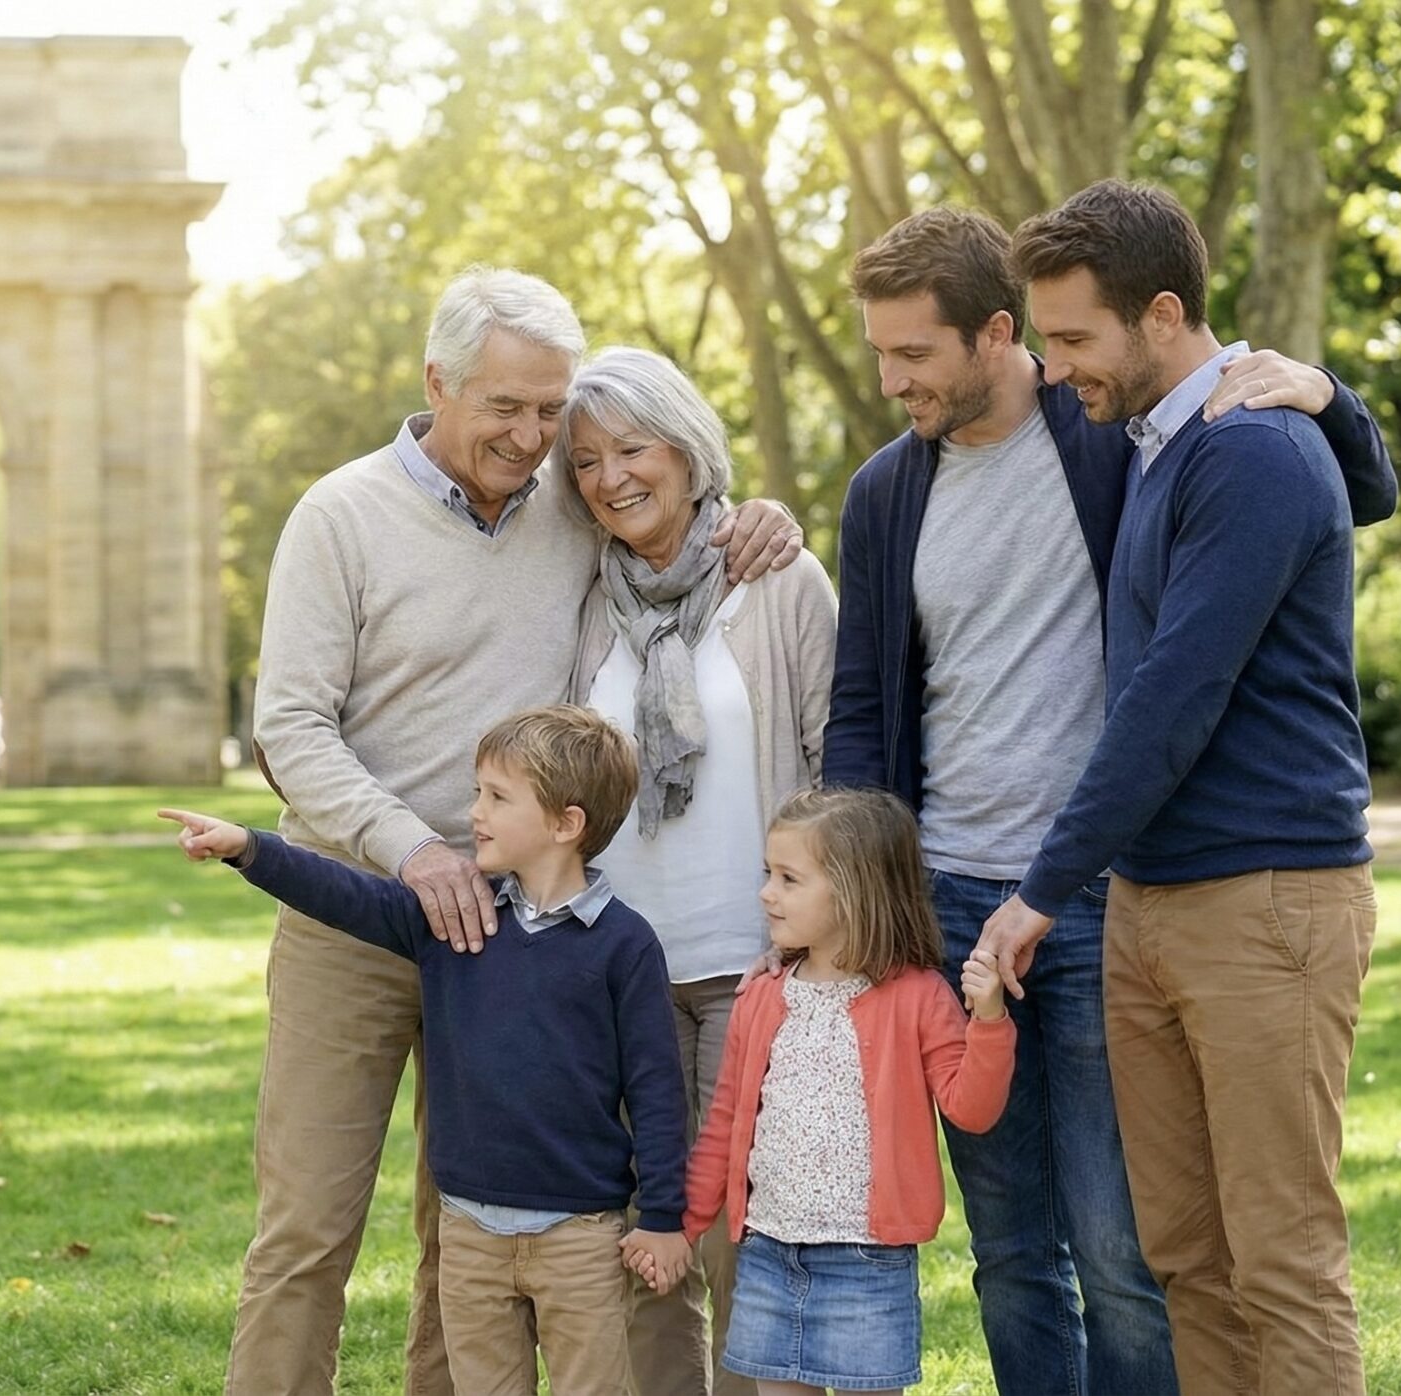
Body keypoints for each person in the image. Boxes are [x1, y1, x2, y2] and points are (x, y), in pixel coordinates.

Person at [826, 206, 1397, 1394]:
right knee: (1099, 1250)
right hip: (1041, 896)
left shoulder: (1152, 440)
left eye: (912, 354)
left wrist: (1327, 397)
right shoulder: (1116, 443)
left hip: (1133, 890)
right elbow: (864, 702)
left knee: (1162, 1250)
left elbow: (1174, 689)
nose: (890, 381)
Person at [243, 266, 801, 1395]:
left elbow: (671, 517)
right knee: (307, 1231)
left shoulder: (568, 508)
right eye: (505, 407)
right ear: (437, 382)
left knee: (475, 1231)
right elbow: (287, 726)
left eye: (551, 410)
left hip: (517, 936)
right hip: (364, 910)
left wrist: (759, 517)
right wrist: (411, 847)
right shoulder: (340, 515)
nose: (533, 437)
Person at [977, 180, 1381, 1395]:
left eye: (1074, 339)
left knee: (1281, 1261)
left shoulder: (1251, 451)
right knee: (1187, 1259)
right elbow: (1368, 489)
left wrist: (1036, 891)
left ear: (1163, 315)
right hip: (1154, 904)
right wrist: (1339, 400)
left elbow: (1170, 701)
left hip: (1263, 902)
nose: (1053, 371)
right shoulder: (1159, 445)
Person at [161, 705, 692, 1394]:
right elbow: (344, 894)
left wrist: (660, 1218)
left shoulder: (625, 947)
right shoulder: (450, 924)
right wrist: (250, 849)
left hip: (580, 1240)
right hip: (469, 1235)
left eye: (497, 798)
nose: (473, 813)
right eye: (478, 792)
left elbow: (656, 1092)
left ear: (566, 824)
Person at [556, 346, 835, 1396]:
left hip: (750, 963)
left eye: (631, 448)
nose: (611, 476)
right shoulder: (588, 596)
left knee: (737, 1237)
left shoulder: (776, 578)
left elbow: (835, 769)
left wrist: (822, 948)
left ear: (686, 447)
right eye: (585, 461)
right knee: (640, 1238)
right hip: (617, 970)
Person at [643, 787, 1013, 1395]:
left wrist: (990, 1022)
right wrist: (684, 1225)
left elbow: (971, 1110)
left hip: (866, 1264)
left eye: (789, 878)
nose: (767, 892)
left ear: (855, 890)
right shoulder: (763, 995)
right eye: (769, 873)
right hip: (766, 1253)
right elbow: (726, 1122)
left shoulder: (919, 997)